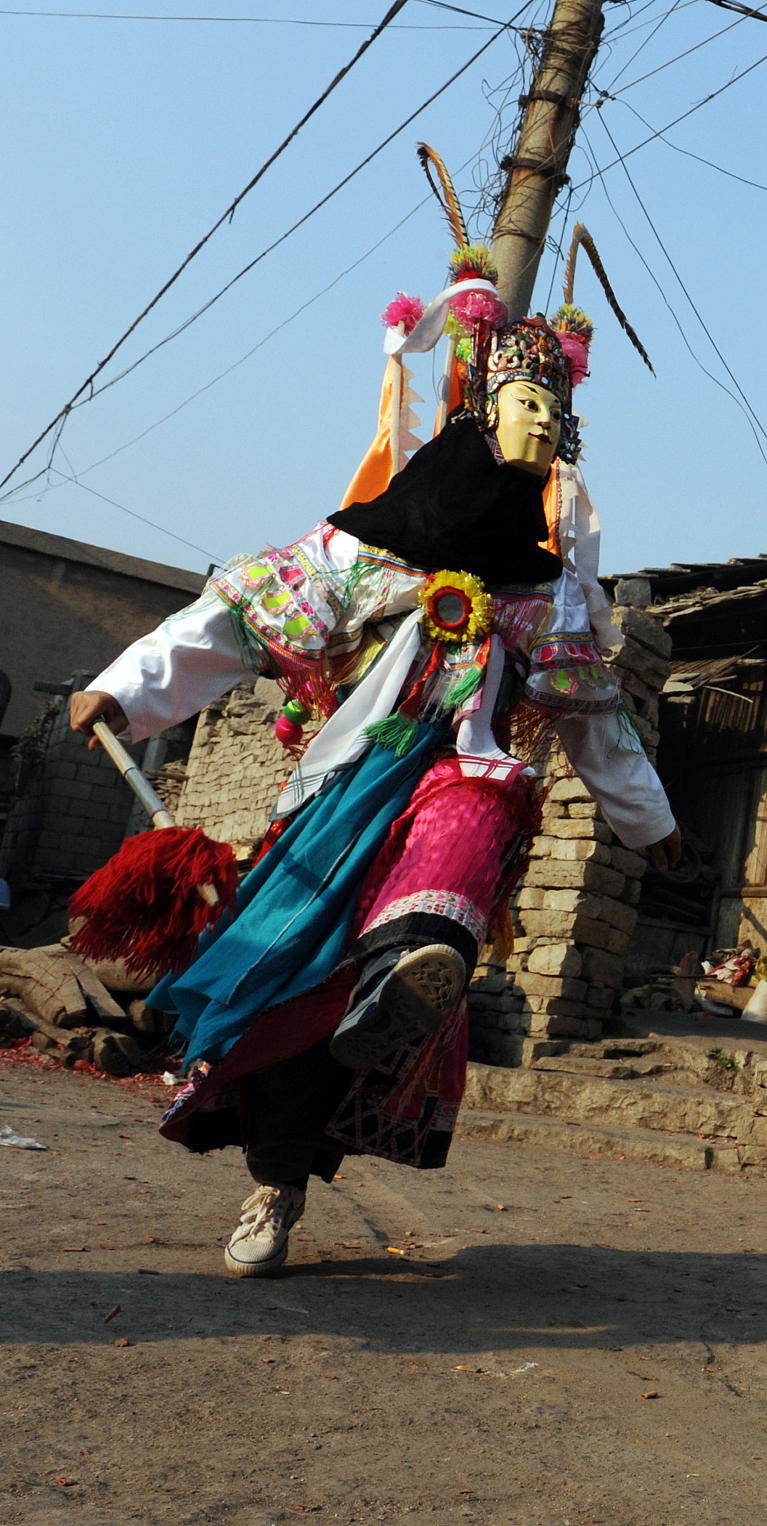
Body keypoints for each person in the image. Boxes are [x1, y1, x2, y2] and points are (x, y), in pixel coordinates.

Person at [69, 236, 679, 1279]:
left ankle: (408, 968)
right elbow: (231, 622)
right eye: (523, 402)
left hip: (455, 766)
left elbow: (596, 722)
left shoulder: (547, 594)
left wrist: (650, 824)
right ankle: (278, 1180)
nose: (542, 420)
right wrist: (124, 684)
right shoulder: (363, 547)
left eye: (552, 407)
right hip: (340, 787)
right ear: (479, 405)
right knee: (293, 1008)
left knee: (482, 800)